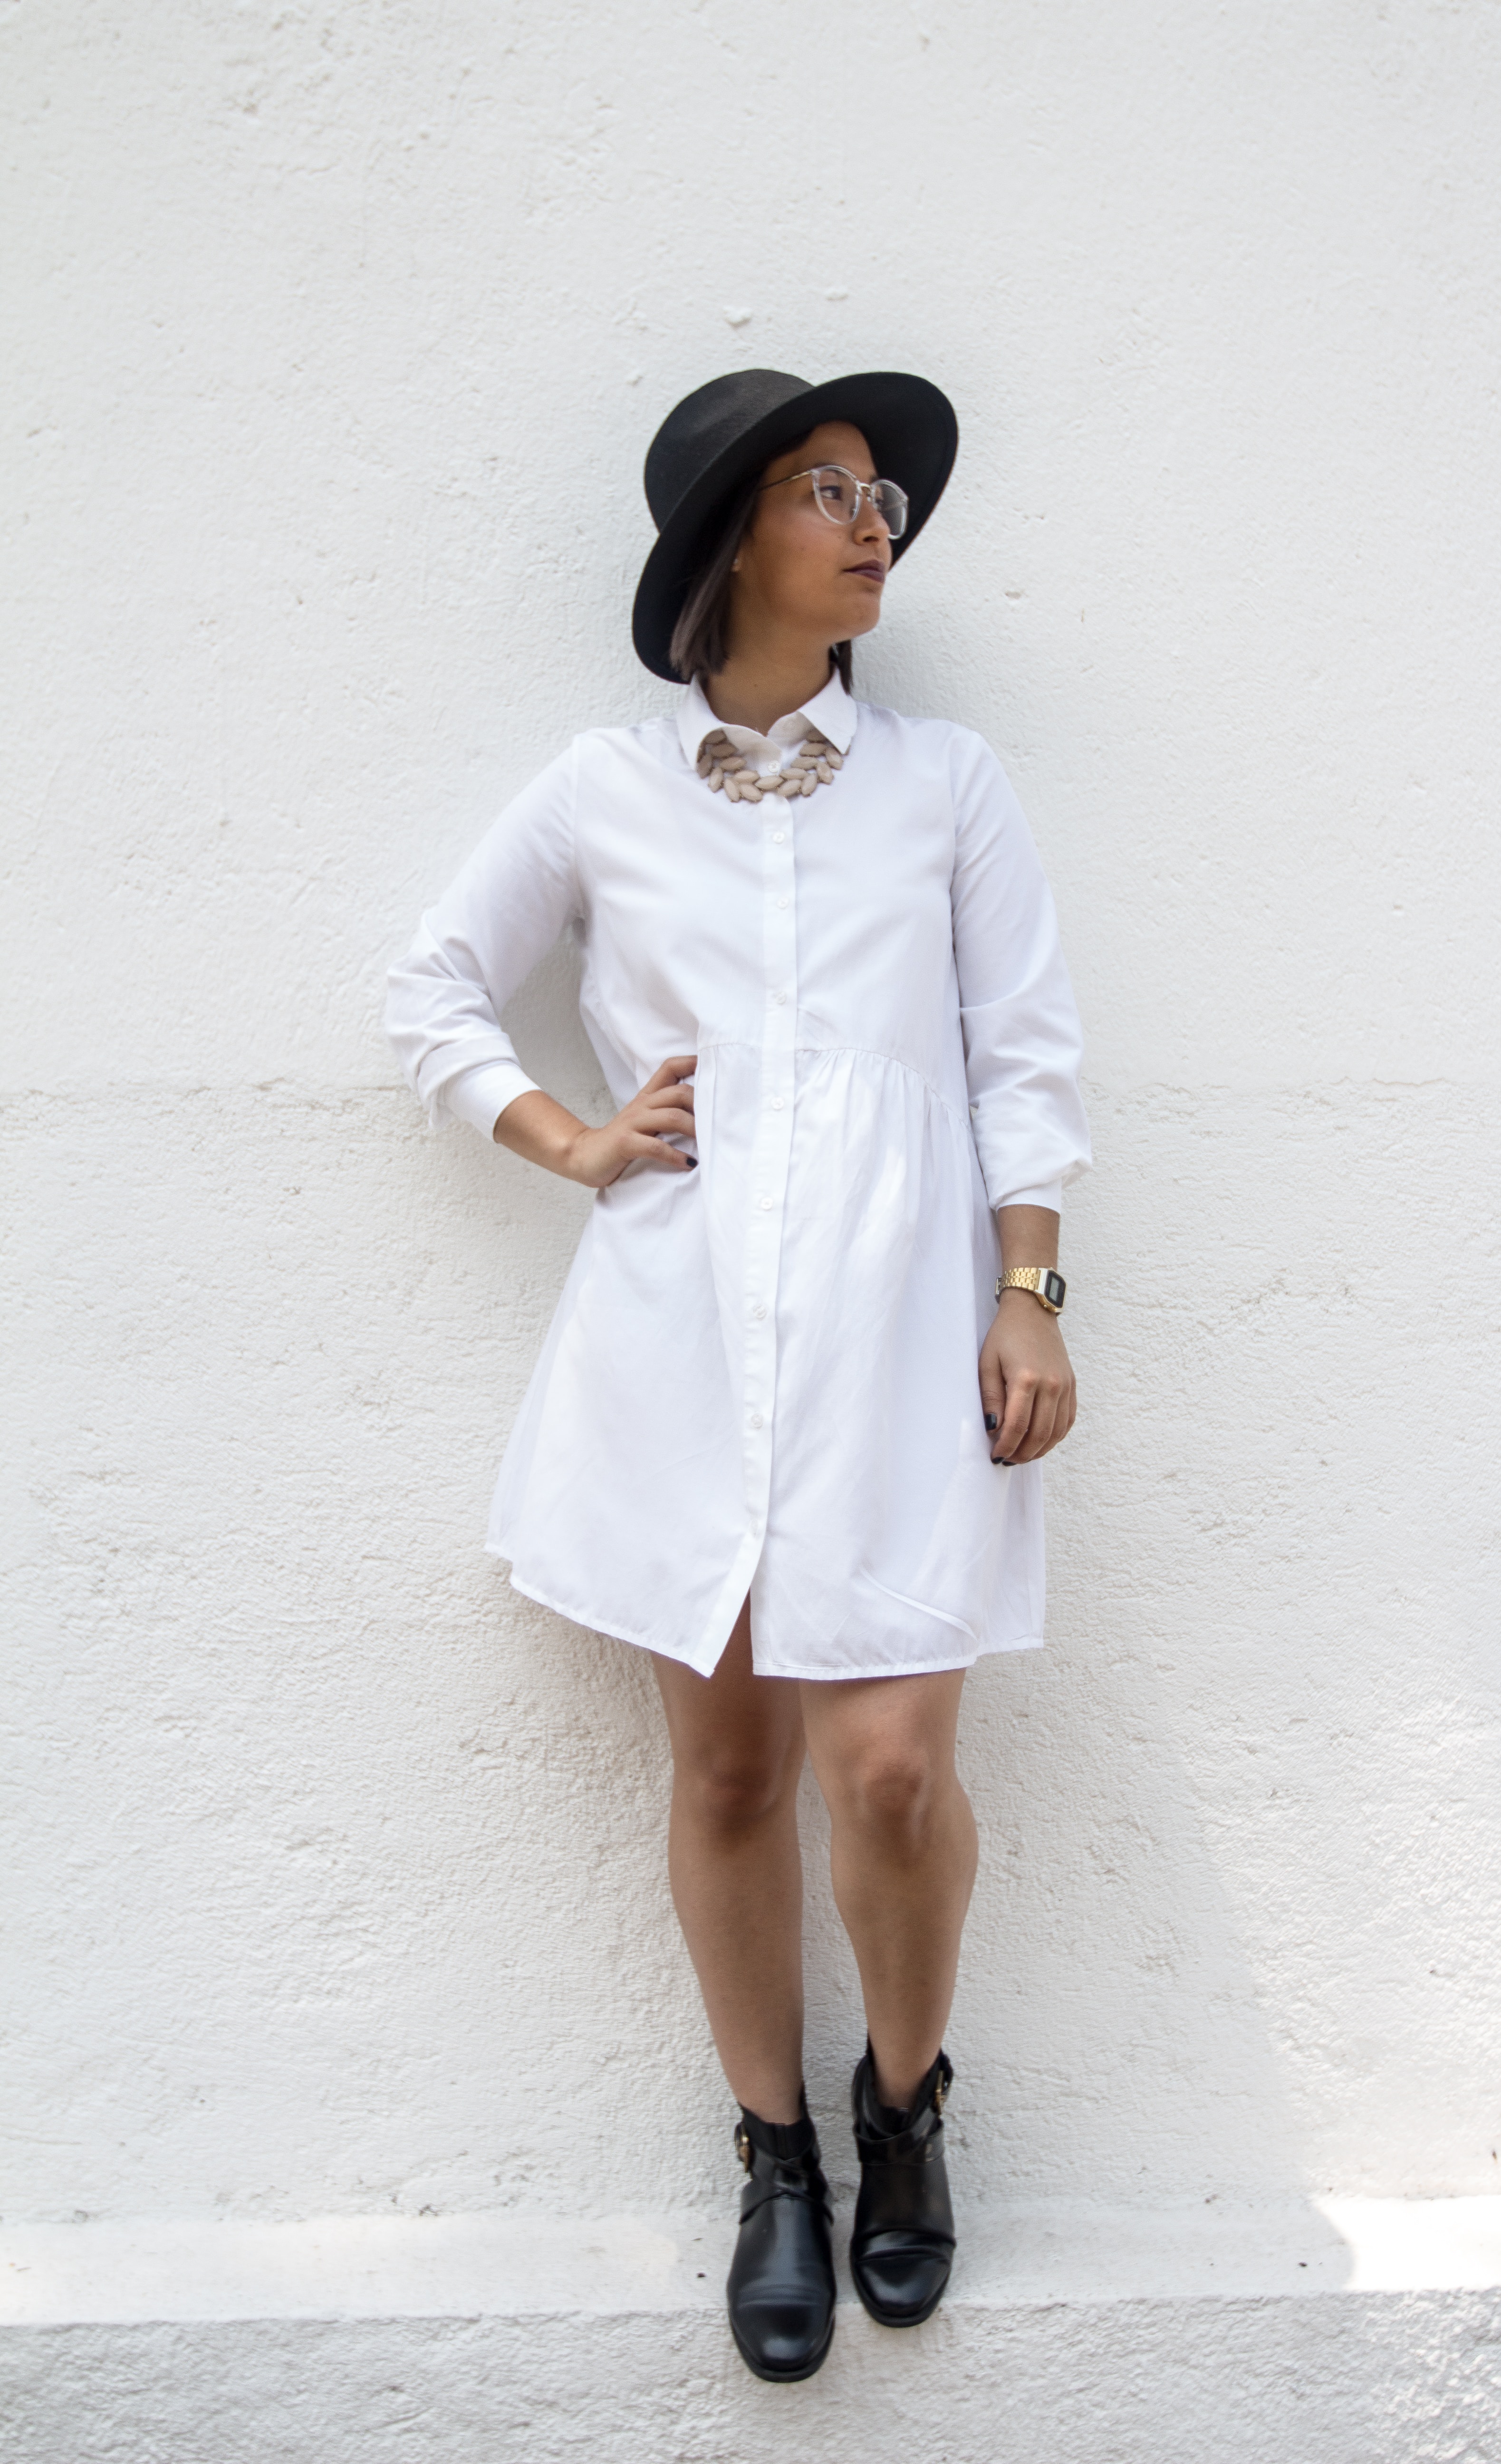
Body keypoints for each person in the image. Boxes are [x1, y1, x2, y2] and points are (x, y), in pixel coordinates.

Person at [385, 367, 1090, 2382]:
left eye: (879, 493)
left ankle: (906, 2102)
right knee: (727, 1764)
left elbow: (1026, 1055)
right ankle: (774, 2152)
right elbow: (429, 984)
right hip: (679, 1333)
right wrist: (573, 1138)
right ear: (729, 547)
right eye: (822, 490)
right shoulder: (604, 789)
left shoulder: (947, 785)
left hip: (897, 1332)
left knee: (887, 1765)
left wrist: (1038, 1291)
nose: (872, 521)